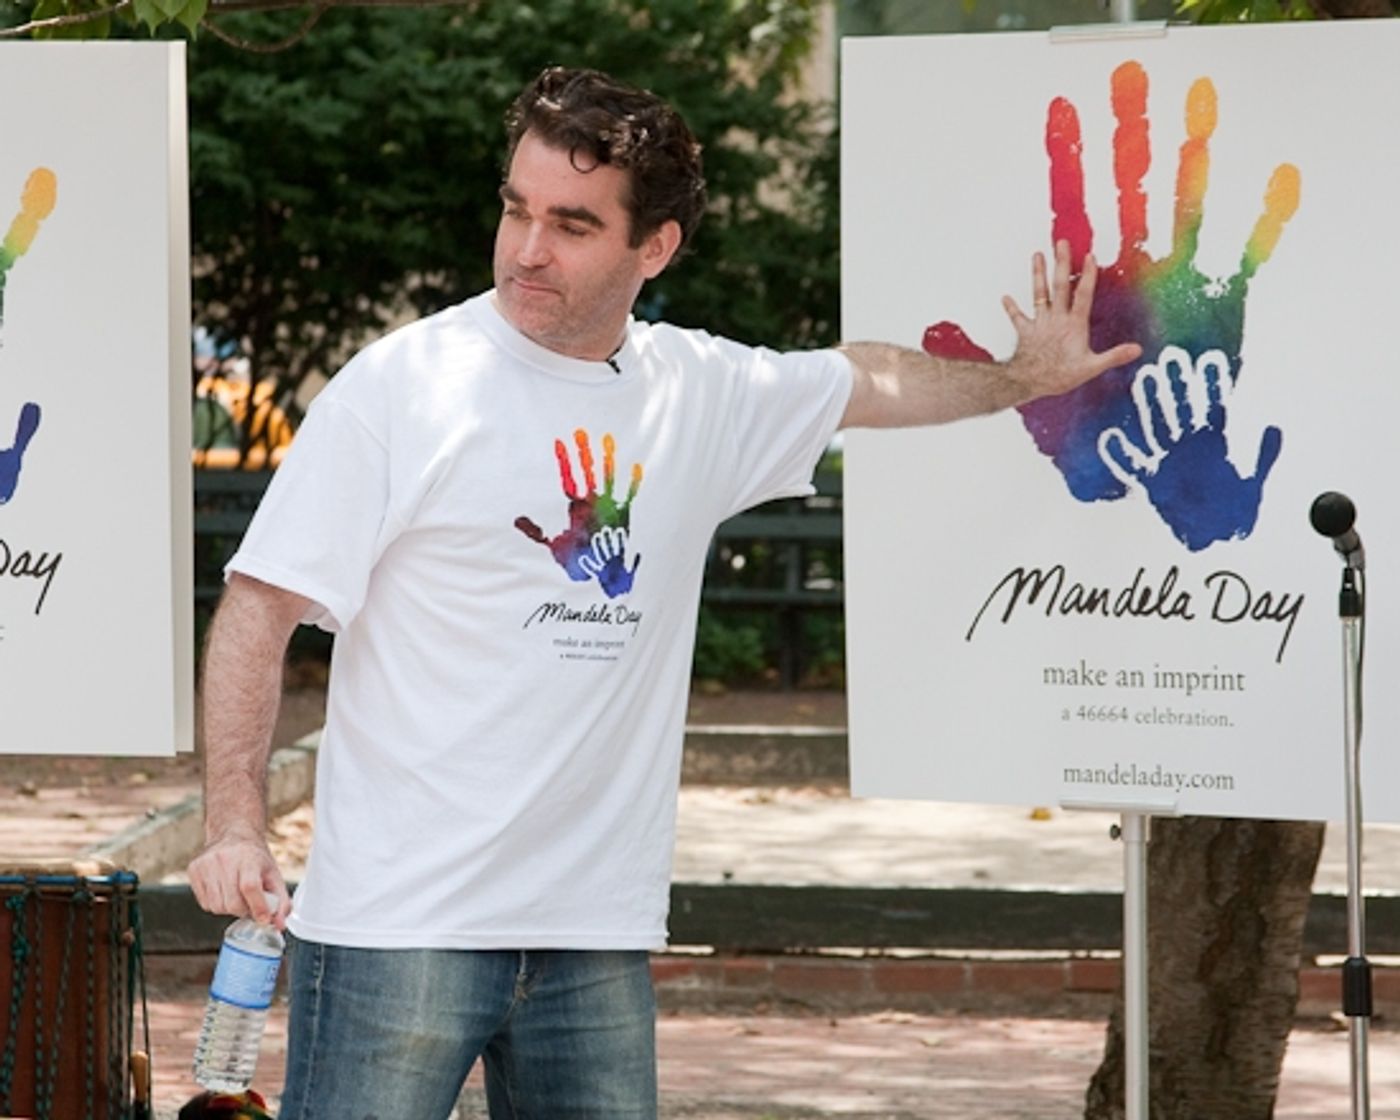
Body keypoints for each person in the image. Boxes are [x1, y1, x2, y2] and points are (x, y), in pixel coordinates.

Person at [188, 66, 1140, 1120]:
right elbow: (257, 608)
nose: (525, 249)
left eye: (570, 224)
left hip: (593, 933)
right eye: (515, 209)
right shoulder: (402, 389)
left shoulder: (699, 392)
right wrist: (234, 823)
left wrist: (1023, 377)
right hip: (395, 928)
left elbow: (866, 379)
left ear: (654, 248)